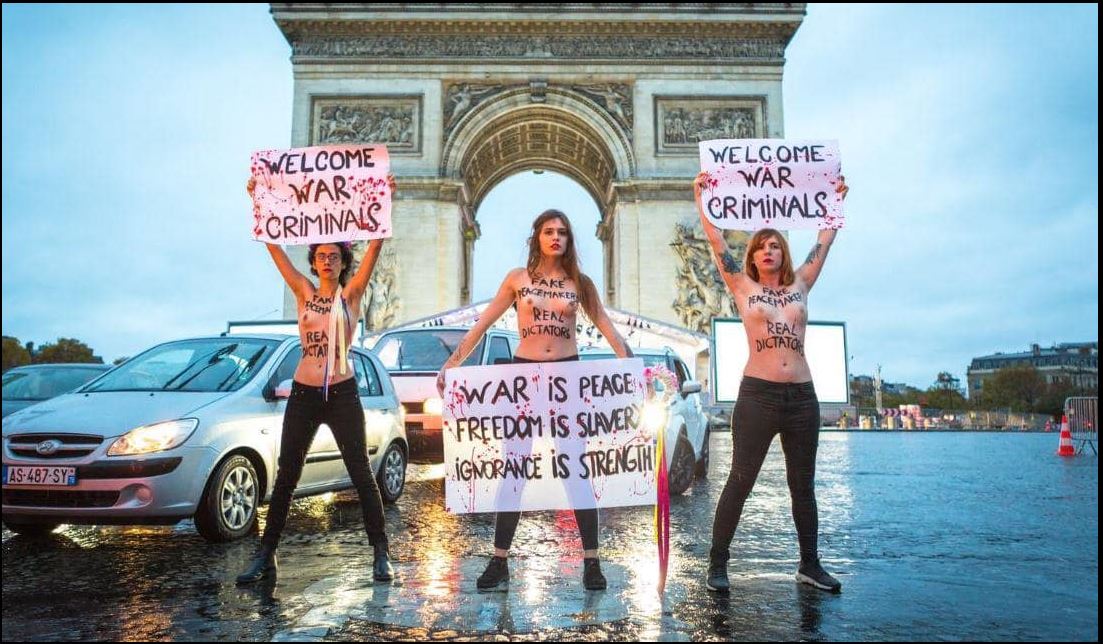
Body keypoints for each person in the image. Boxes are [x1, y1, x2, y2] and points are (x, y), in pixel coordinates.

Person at [435, 209, 634, 591]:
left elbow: (609, 330)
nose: (556, 237)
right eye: (548, 231)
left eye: (562, 231)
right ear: (536, 237)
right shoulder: (517, 279)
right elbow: (482, 324)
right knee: (514, 469)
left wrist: (636, 371)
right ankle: (499, 560)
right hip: (524, 378)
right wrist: (451, 364)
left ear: (569, 240)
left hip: (567, 379)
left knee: (577, 470)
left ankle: (591, 563)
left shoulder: (581, 283)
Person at [694, 170, 849, 593]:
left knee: (803, 486)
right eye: (761, 245)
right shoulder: (741, 286)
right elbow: (716, 242)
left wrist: (835, 201)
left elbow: (825, 241)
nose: (768, 250)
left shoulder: (802, 283)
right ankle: (717, 563)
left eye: (775, 245)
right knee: (740, 480)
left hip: (802, 397)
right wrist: (702, 200)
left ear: (784, 252)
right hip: (758, 396)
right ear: (752, 255)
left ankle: (810, 565)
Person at [236, 175, 396, 584]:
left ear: (343, 262)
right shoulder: (304, 292)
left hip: (342, 393)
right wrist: (259, 203)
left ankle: (381, 553)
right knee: (287, 475)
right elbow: (274, 249)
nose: (327, 261)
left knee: (361, 472)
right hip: (304, 392)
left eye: (334, 256)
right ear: (313, 262)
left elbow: (376, 246)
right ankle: (265, 555)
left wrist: (385, 200)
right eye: (321, 256)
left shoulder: (351, 295)